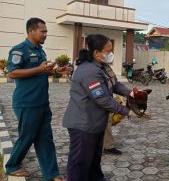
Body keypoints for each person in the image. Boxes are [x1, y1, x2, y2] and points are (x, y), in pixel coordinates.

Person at [5, 17, 70, 180]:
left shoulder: (40, 50)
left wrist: (55, 71)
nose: (46, 34)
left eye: (46, 31)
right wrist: (38, 68)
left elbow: (41, 71)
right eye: (43, 31)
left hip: (41, 102)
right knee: (27, 136)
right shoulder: (19, 50)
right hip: (27, 102)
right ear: (31, 31)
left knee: (45, 138)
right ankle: (12, 165)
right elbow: (12, 73)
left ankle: (51, 174)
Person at [63, 34, 130, 181]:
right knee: (80, 163)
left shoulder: (103, 67)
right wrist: (126, 111)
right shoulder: (89, 71)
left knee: (93, 160)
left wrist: (130, 93)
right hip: (83, 124)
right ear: (96, 52)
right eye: (108, 51)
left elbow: (115, 84)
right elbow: (102, 99)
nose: (111, 54)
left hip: (95, 123)